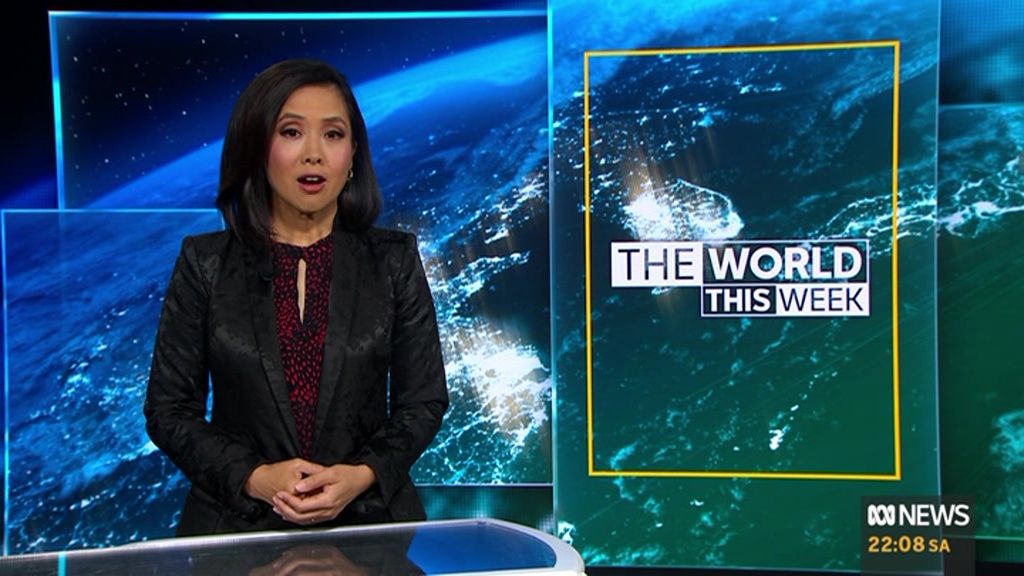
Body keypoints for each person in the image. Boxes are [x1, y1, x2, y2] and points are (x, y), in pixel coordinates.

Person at [144, 59, 448, 535]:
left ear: (353, 154)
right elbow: (169, 410)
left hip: (367, 526)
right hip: (237, 527)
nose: (314, 154)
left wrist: (361, 475)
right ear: (257, 148)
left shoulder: (394, 259)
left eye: (332, 134)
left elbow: (423, 401)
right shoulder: (204, 263)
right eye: (291, 132)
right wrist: (254, 477)